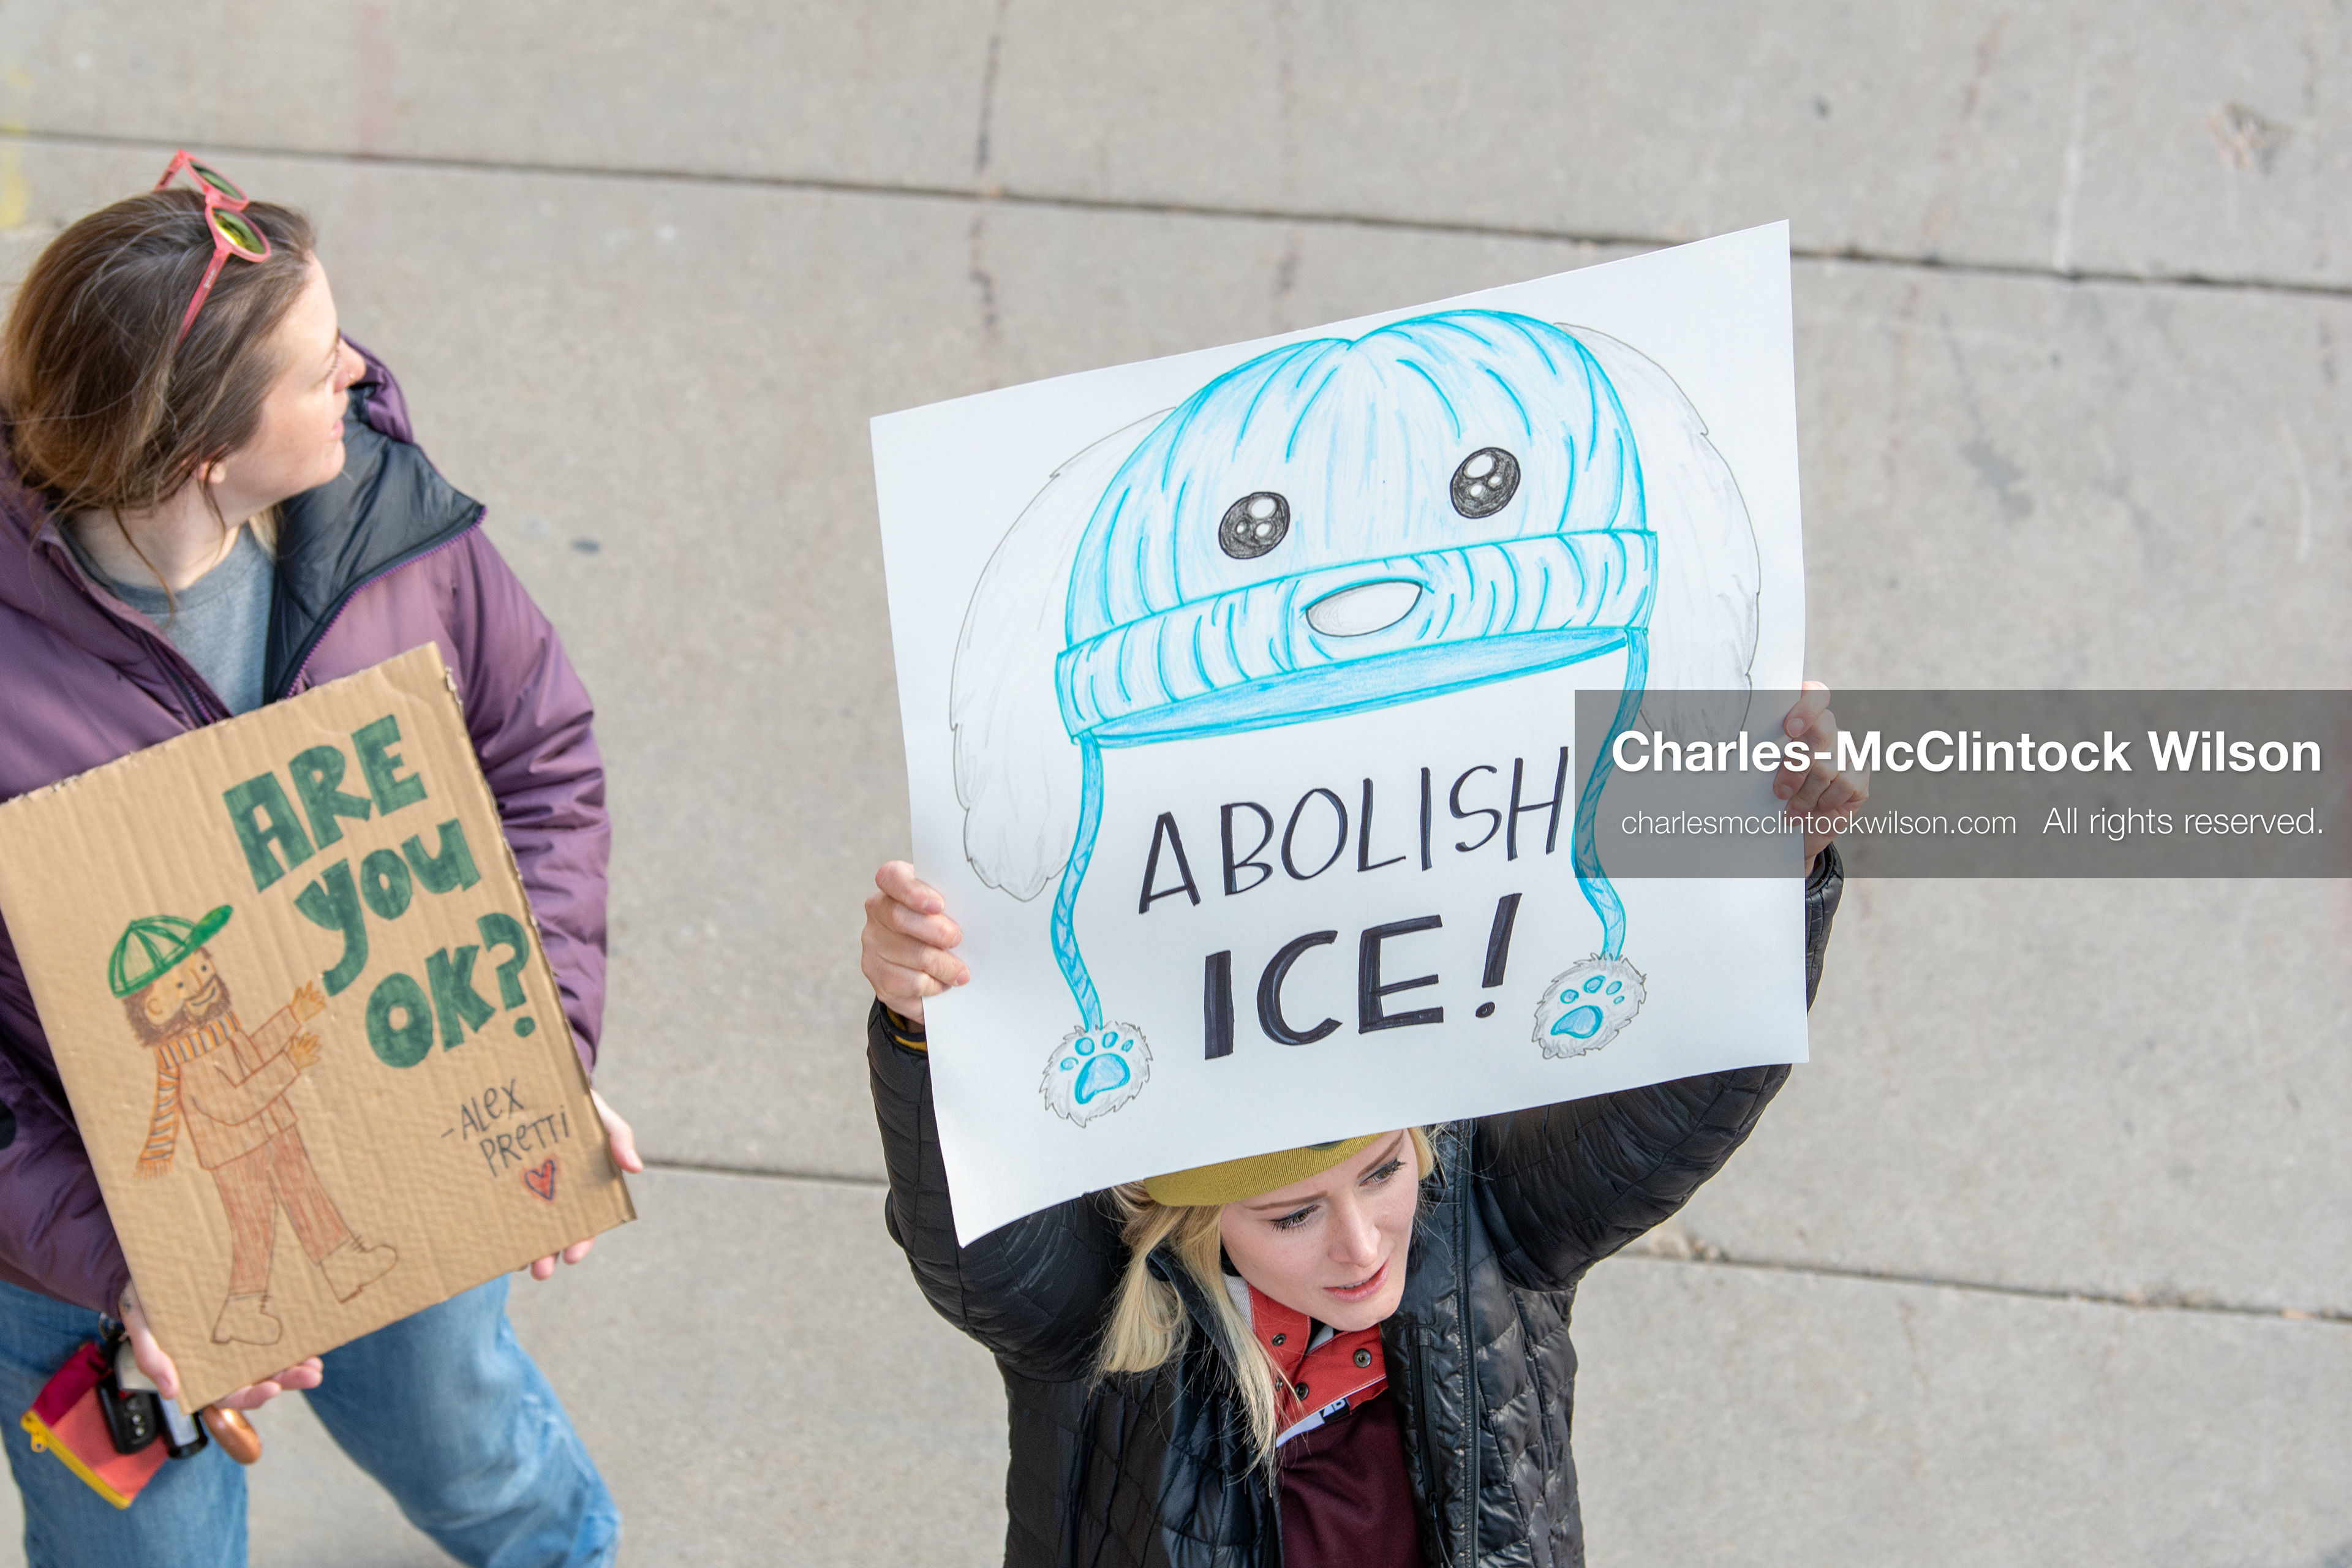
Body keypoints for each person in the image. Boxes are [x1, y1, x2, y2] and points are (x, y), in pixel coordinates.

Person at [0, 154, 636, 1567]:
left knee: (465, 1438)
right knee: (136, 1549)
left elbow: (537, 765)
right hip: (85, 1266)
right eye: (311, 368)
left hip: (406, 1148)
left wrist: (539, 1047)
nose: (358, 367)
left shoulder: (387, 528)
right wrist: (126, 1261)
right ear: (197, 460)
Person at [861, 693, 1863, 1566]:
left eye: (1383, 1171)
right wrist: (925, 1023)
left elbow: (1686, 1096)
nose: (1364, 1246)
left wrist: (1781, 870)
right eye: (1291, 1216)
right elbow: (970, 1241)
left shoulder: (1482, 1225)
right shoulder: (1103, 1312)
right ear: (1192, 1225)